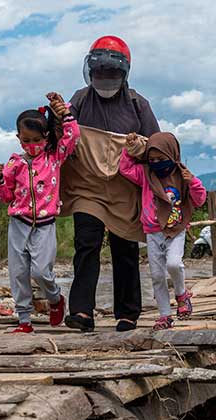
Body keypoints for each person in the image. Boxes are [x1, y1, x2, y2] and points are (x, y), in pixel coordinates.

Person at [60, 35, 161, 333]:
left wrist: (139, 149)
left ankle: (127, 313)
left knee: (125, 247)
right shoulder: (79, 99)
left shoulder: (137, 104)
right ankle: (81, 312)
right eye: (99, 72)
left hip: (123, 188)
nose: (105, 78)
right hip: (87, 187)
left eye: (111, 73)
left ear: (124, 73)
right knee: (86, 244)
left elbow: (155, 145)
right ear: (90, 72)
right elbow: (64, 133)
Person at [0, 93, 80, 334]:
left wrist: (65, 114)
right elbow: (5, 197)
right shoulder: (14, 164)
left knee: (41, 271)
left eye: (36, 140)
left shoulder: (53, 158)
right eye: (26, 140)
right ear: (19, 139)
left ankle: (55, 299)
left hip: (45, 224)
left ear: (46, 137)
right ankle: (24, 321)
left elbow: (73, 136)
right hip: (18, 224)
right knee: (18, 273)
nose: (31, 146)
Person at [119, 132, 207, 330]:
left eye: (161, 159)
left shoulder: (183, 176)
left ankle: (182, 294)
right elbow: (125, 169)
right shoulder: (145, 174)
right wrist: (129, 149)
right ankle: (165, 315)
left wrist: (193, 182)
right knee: (157, 275)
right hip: (152, 231)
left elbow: (199, 199)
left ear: (173, 155)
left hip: (176, 229)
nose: (157, 163)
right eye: (153, 160)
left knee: (174, 264)